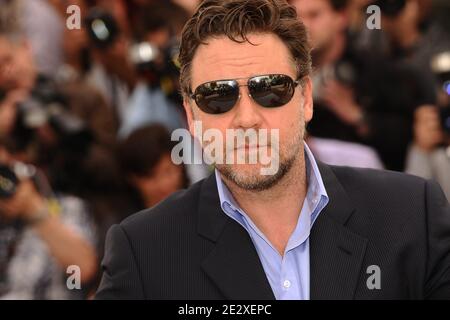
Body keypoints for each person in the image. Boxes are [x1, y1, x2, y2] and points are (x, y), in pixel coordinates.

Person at [96, 0, 450, 299]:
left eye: (270, 91)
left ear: (306, 98)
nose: (246, 119)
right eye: (218, 97)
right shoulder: (144, 252)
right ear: (191, 115)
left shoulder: (410, 215)